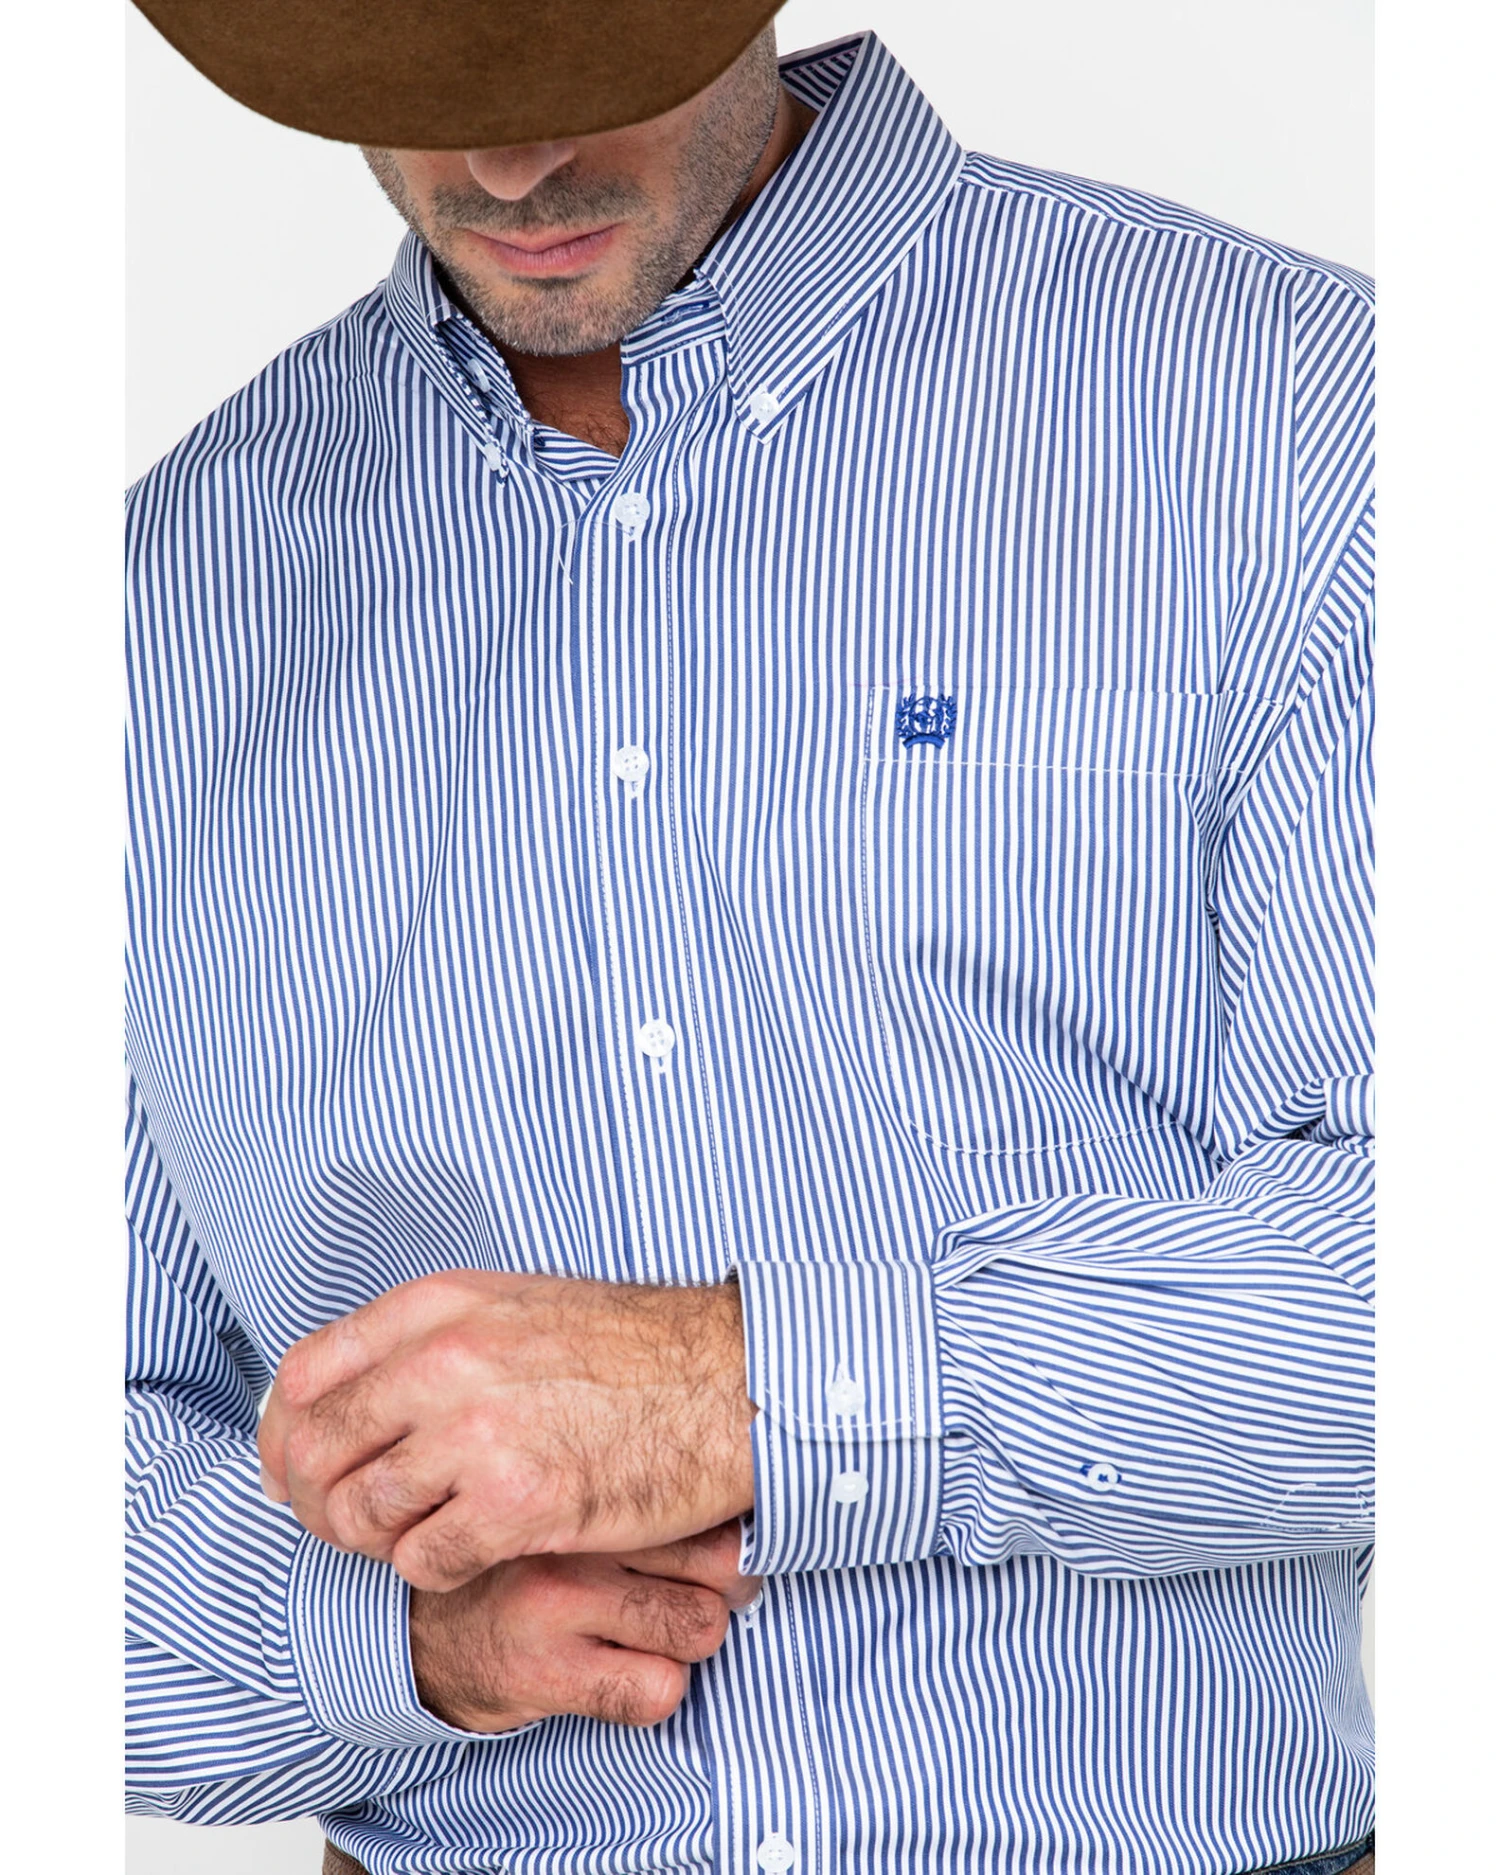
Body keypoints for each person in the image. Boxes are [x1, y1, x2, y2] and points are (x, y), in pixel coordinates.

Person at [125, 4, 1375, 1872]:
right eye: (409, 91)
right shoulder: (153, 601)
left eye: (582, 68)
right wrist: (390, 1637)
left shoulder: (1298, 413)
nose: (508, 167)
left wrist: (747, 1392)